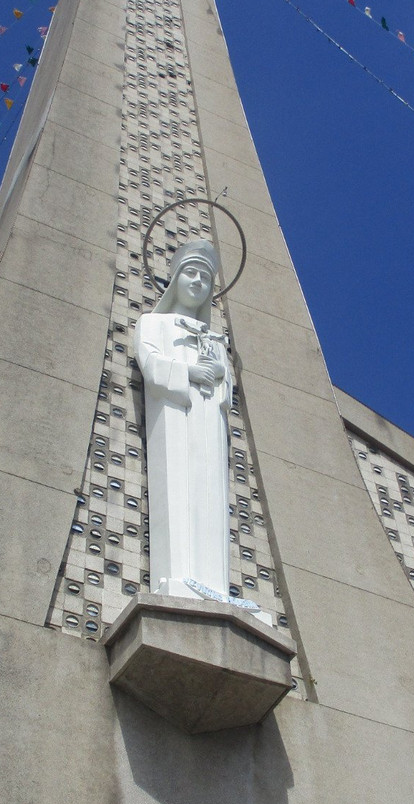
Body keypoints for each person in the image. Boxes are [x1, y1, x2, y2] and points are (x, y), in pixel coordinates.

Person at [135, 240, 233, 601]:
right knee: (177, 486)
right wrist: (191, 371)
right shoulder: (153, 324)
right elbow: (152, 366)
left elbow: (226, 393)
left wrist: (219, 376)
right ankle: (178, 576)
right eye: (190, 273)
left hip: (209, 422)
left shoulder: (215, 340)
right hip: (175, 415)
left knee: (210, 493)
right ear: (175, 279)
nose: (197, 282)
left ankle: (216, 587)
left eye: (205, 278)